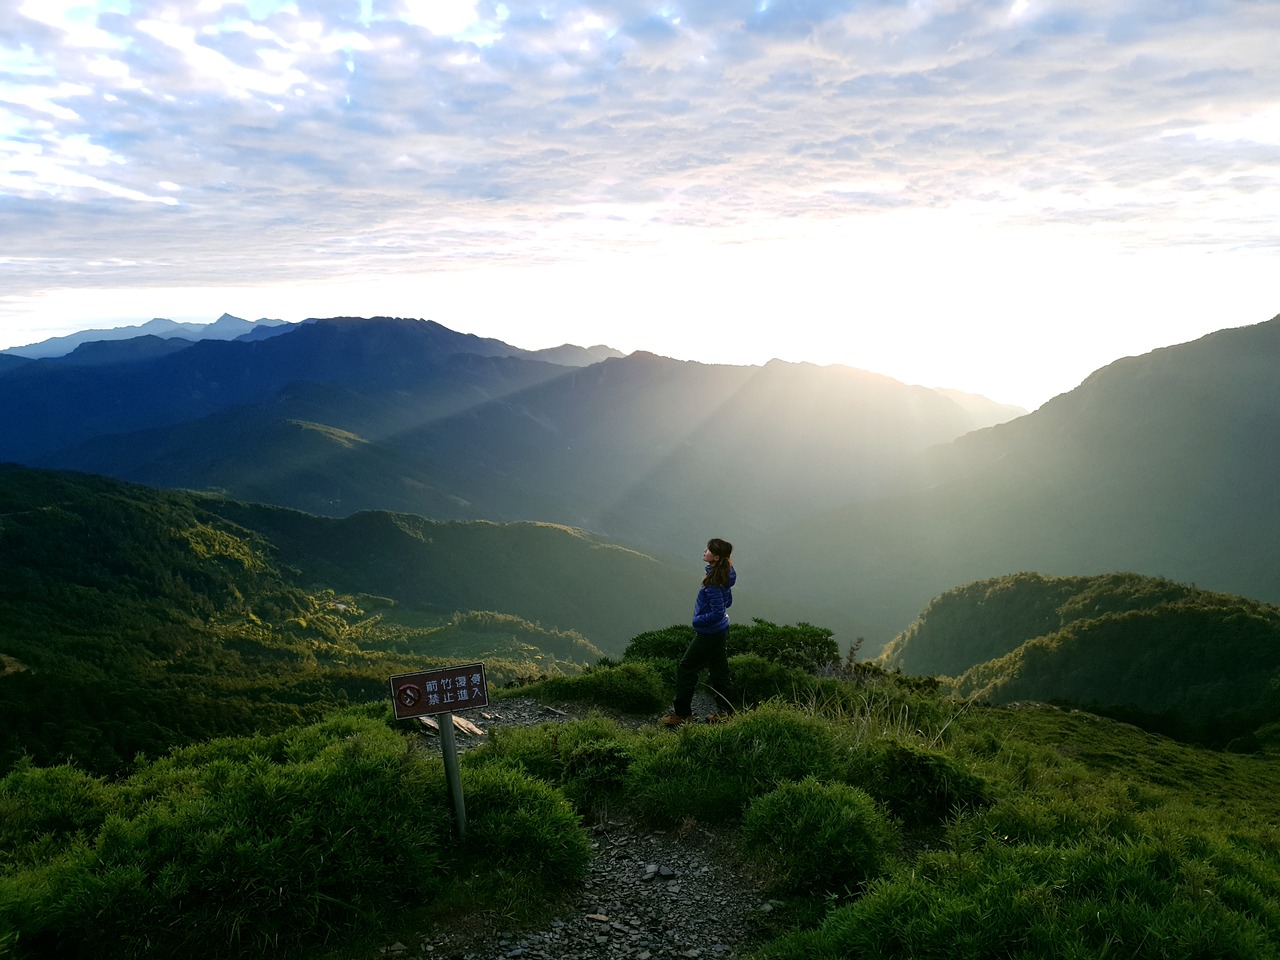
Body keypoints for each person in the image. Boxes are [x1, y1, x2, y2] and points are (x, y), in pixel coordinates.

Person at [663, 538, 736, 726]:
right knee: (719, 670)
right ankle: (726, 712)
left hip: (709, 633)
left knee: (686, 667)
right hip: (720, 630)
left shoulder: (712, 582)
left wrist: (698, 621)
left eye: (709, 550)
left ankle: (682, 715)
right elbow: (727, 602)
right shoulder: (725, 574)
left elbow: (719, 610)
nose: (705, 551)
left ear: (716, 557)